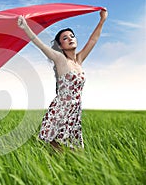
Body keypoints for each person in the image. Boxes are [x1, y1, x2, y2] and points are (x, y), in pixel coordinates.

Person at [18, 9, 108, 150]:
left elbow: (93, 40)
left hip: (75, 111)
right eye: (65, 38)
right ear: (60, 46)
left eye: (72, 36)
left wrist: (102, 20)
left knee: (74, 150)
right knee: (57, 149)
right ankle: (51, 169)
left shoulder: (79, 60)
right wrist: (25, 28)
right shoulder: (60, 60)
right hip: (61, 109)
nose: (70, 38)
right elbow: (40, 44)